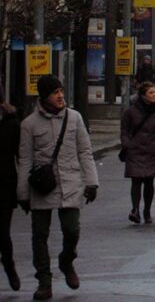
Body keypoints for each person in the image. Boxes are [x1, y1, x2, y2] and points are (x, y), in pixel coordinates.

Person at [18, 75, 98, 301]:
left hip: (71, 183)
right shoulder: (29, 124)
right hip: (42, 186)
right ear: (44, 97)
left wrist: (92, 181)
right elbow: (24, 160)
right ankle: (44, 280)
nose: (60, 96)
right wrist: (22, 193)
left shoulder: (74, 118)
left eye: (61, 91)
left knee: (72, 230)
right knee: (39, 235)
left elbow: (85, 151)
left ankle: (66, 260)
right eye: (55, 93)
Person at [121, 81, 155, 225]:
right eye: (151, 93)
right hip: (136, 150)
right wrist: (127, 144)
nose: (154, 95)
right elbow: (125, 130)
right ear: (143, 96)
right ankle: (135, 209)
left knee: (149, 182)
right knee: (136, 181)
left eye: (154, 92)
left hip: (151, 151)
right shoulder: (131, 111)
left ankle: (147, 211)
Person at [0, 93, 20, 290]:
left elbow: (22, 156)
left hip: (4, 186)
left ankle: (9, 266)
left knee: (2, 233)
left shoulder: (11, 123)